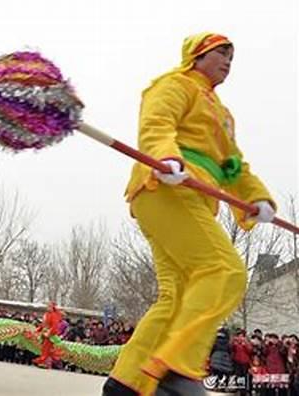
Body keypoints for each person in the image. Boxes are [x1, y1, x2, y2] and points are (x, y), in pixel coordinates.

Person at [103, 33, 277, 396]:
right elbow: (157, 125)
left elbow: (233, 168)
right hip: (168, 186)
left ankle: (127, 383)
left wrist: (258, 199)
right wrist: (167, 157)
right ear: (197, 55)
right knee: (224, 270)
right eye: (221, 53)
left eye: (233, 56)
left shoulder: (223, 116)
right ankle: (177, 367)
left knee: (177, 295)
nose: (229, 61)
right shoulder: (175, 85)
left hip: (195, 197)